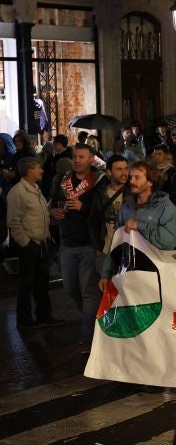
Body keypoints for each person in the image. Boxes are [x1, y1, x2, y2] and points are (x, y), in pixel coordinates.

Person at [48, 142, 106, 338]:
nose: (77, 161)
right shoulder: (63, 180)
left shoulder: (98, 181)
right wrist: (54, 212)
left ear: (91, 159)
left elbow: (102, 213)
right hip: (66, 242)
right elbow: (52, 204)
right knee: (70, 288)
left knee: (89, 291)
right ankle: (92, 318)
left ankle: (89, 334)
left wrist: (83, 207)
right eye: (75, 157)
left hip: (89, 244)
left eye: (82, 157)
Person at [99, 163, 176, 286]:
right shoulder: (126, 208)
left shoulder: (166, 207)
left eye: (137, 177)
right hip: (130, 277)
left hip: (158, 277)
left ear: (150, 182)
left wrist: (140, 225)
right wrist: (106, 273)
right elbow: (116, 243)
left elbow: (170, 241)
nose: (131, 181)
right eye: (131, 177)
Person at [7, 156, 56, 329]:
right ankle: (24, 319)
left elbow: (40, 212)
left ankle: (44, 315)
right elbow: (13, 221)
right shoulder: (18, 192)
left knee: (42, 281)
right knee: (27, 283)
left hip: (41, 242)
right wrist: (26, 242)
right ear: (29, 170)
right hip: (30, 244)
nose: (42, 170)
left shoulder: (35, 189)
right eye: (38, 168)